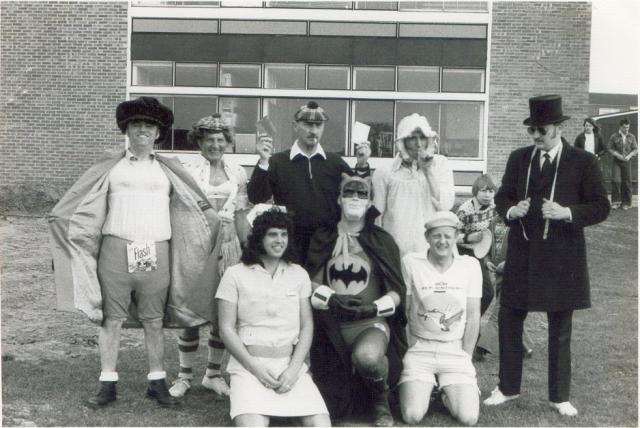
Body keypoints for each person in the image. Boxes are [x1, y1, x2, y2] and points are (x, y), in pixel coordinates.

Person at [49, 97, 221, 408]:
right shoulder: (109, 168)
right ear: (126, 130)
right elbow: (77, 203)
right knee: (111, 319)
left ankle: (157, 382)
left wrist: (215, 223)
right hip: (116, 248)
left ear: (158, 132)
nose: (142, 130)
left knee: (153, 320)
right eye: (136, 124)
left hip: (156, 249)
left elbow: (195, 206)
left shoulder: (170, 170)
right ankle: (107, 384)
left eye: (149, 125)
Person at [483, 95, 610, 416]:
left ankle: (559, 396)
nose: (536, 136)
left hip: (562, 258)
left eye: (541, 130)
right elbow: (502, 197)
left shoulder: (583, 161)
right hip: (523, 254)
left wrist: (567, 211)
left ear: (557, 128)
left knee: (560, 328)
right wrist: (512, 209)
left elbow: (600, 206)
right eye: (532, 131)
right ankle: (508, 388)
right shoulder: (519, 158)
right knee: (510, 318)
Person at [306, 175, 408, 426]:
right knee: (329, 405)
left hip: (370, 324)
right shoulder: (324, 238)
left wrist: (373, 307)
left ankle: (380, 402)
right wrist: (332, 299)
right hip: (331, 328)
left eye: (361, 193)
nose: (354, 197)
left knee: (369, 358)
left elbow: (397, 291)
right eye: (348, 192)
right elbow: (310, 283)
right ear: (339, 199)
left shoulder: (381, 240)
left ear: (370, 201)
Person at [216, 209, 330, 427]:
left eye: (284, 234)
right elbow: (226, 329)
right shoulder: (235, 274)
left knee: (321, 424)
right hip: (248, 368)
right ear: (259, 238)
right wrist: (255, 369)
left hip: (289, 367)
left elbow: (307, 326)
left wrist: (294, 369)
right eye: (272, 234)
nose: (279, 240)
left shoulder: (299, 274)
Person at [169, 113, 250, 398]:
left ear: (228, 142)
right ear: (199, 142)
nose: (215, 145)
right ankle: (184, 375)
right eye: (209, 140)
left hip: (227, 245)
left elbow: (242, 208)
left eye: (220, 140)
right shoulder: (188, 170)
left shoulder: (238, 171)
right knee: (190, 307)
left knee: (221, 308)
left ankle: (213, 374)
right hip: (194, 243)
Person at [247, 101, 370, 263]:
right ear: (295, 126)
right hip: (291, 244)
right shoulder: (278, 161)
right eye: (308, 125)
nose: (314, 131)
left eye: (318, 125)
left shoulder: (335, 162)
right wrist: (263, 161)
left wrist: (361, 165)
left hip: (328, 244)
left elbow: (358, 196)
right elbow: (257, 197)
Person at [399, 211, 481, 426]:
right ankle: (426, 387)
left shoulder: (470, 266)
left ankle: (445, 393)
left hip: (454, 351)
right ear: (427, 237)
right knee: (412, 415)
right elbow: (405, 311)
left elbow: (473, 316)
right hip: (420, 349)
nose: (442, 241)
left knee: (469, 417)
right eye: (436, 236)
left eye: (447, 236)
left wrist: (466, 355)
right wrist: (410, 345)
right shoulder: (411, 262)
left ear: (455, 238)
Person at [372, 113, 455, 256]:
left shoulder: (440, 164)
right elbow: (377, 218)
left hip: (434, 253)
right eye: (412, 138)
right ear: (402, 141)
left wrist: (427, 170)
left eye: (422, 137)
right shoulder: (384, 171)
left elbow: (446, 205)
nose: (418, 144)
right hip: (397, 252)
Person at [474, 220, 534, 360]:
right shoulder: (492, 223)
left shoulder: (522, 223)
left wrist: (510, 263)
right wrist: (487, 261)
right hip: (498, 273)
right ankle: (526, 347)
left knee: (499, 312)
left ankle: (481, 348)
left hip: (516, 273)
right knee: (510, 312)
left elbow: (527, 249)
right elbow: (486, 246)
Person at [456, 174, 497, 316]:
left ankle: (473, 323)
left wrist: (487, 259)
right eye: (483, 191)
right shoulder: (465, 209)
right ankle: (462, 322)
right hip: (463, 252)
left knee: (487, 293)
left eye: (490, 191)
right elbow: (453, 236)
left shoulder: (494, 207)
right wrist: (468, 237)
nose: (487, 195)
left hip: (481, 253)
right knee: (468, 291)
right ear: (475, 191)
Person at [607, 118, 637, 210]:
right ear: (620, 127)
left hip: (627, 161)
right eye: (624, 127)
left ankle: (626, 203)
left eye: (628, 127)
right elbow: (609, 148)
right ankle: (615, 202)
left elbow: (636, 149)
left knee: (627, 181)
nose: (626, 129)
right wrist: (617, 155)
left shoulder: (632, 137)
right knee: (616, 180)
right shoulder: (614, 136)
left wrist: (629, 156)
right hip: (617, 161)